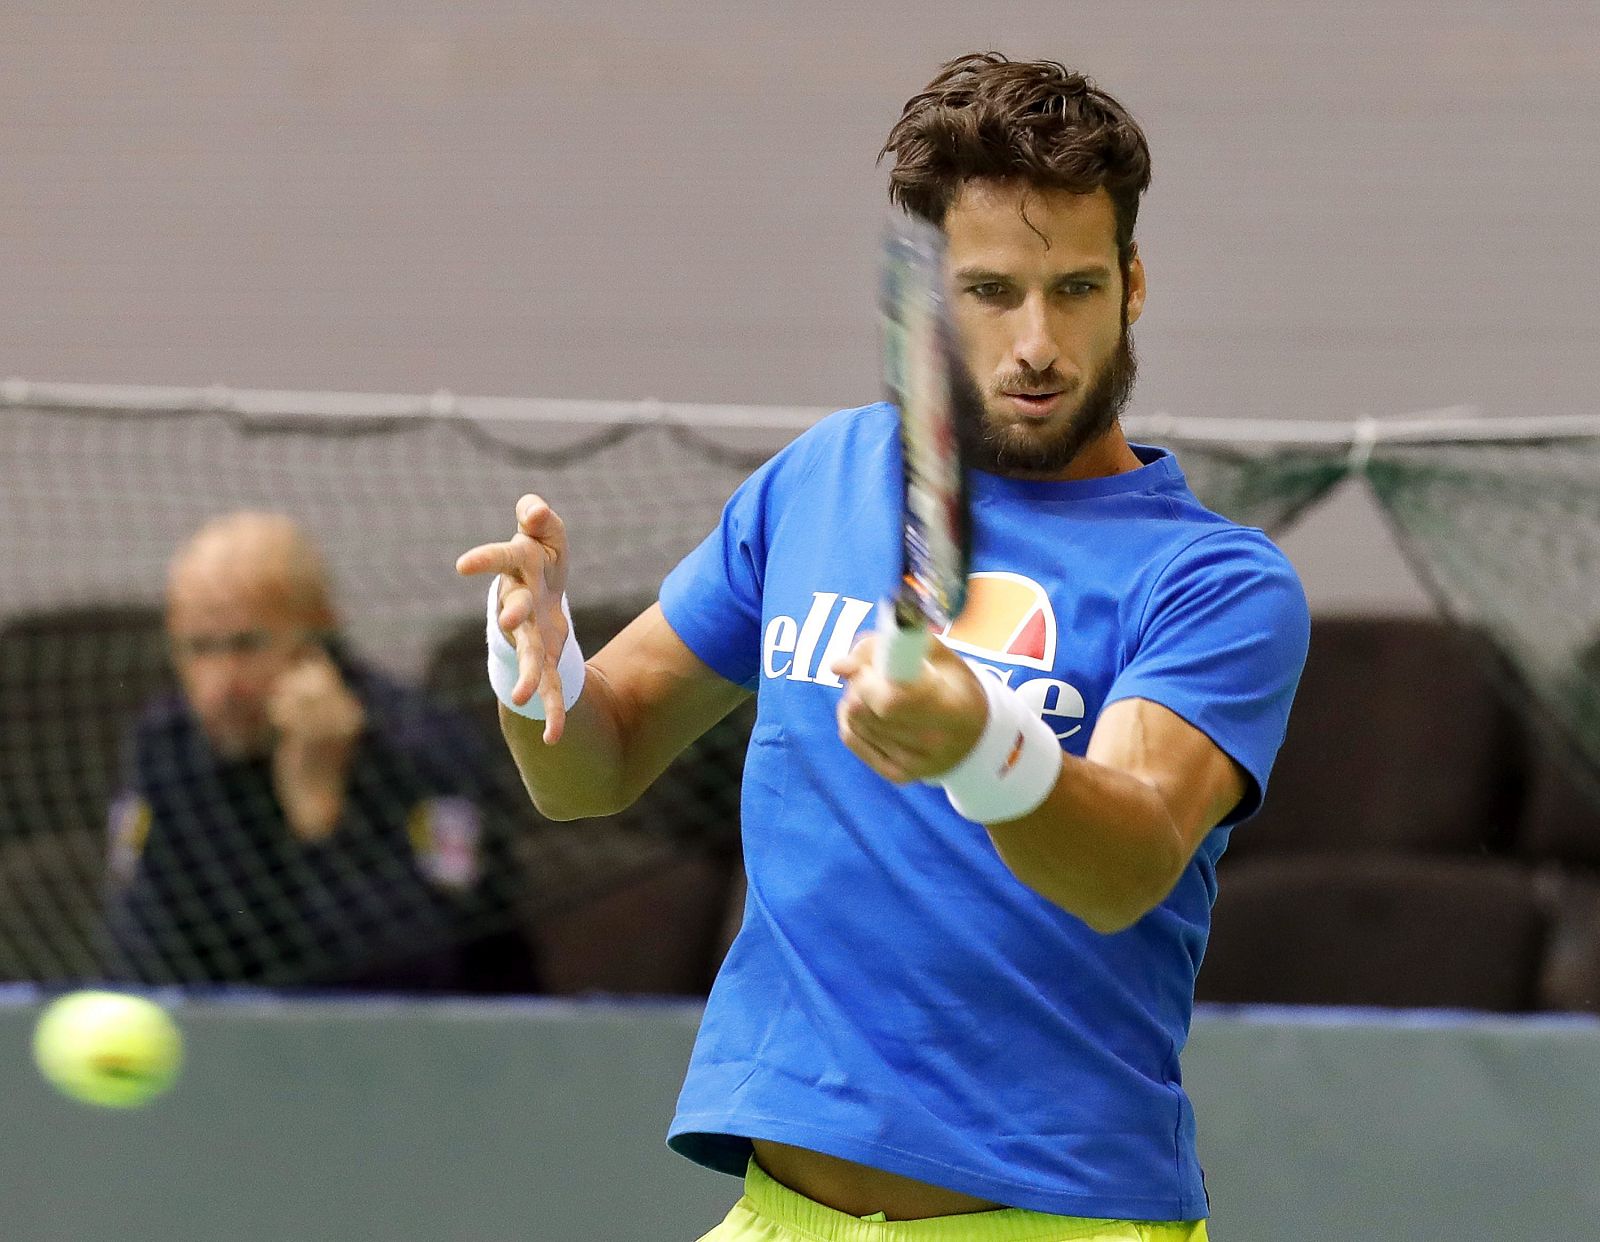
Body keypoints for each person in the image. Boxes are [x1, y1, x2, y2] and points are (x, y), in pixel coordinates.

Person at [457, 53, 1309, 1240]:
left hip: (1048, 1222)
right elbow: (590, 768)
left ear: (1133, 284)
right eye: (991, 291)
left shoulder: (1213, 584)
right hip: (777, 1215)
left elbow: (1128, 862)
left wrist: (979, 747)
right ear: (926, 298)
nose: (1036, 344)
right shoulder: (819, 481)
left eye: (1073, 289)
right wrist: (534, 667)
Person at [106, 511, 535, 992]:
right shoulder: (167, 746)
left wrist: (321, 816)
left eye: (247, 645)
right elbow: (139, 957)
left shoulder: (422, 747)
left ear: (318, 632)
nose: (220, 687)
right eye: (198, 649)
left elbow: (416, 981)